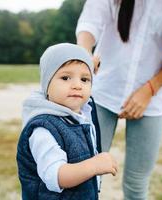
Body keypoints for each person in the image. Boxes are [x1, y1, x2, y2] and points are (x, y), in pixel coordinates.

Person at [76, 0, 162, 199]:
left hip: (153, 98)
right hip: (103, 89)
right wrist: (83, 54)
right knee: (86, 174)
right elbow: (92, 18)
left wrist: (149, 90)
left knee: (136, 183)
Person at [16, 43, 118, 200]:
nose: (77, 85)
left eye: (85, 79)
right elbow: (55, 176)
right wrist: (94, 165)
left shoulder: (81, 116)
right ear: (47, 84)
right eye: (65, 78)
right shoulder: (43, 129)